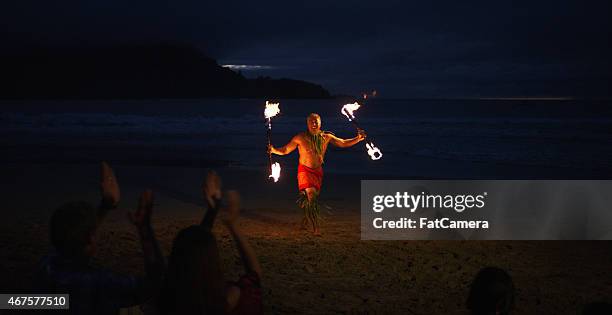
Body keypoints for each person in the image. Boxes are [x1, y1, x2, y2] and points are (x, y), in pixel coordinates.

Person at [36, 162, 165, 315]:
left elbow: (75, 234)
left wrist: (106, 205)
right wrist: (145, 228)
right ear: (90, 240)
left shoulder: (47, 265)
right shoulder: (98, 283)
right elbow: (154, 284)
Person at [156, 171, 263, 315]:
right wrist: (232, 225)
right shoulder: (227, 300)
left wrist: (213, 210)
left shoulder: (167, 301)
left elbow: (194, 248)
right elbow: (254, 275)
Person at [268, 112, 366, 235]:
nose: (314, 123)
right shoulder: (300, 138)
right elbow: (286, 150)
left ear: (320, 123)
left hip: (318, 171)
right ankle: (315, 228)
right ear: (307, 124)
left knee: (306, 198)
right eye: (311, 121)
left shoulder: (326, 137)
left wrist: (358, 138)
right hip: (304, 170)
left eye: (316, 121)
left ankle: (304, 220)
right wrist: (274, 150)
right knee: (311, 197)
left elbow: (343, 143)